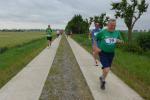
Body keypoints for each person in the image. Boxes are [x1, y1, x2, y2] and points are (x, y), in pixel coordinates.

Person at [95, 19, 123, 90]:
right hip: (103, 52)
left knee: (106, 68)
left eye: (114, 25)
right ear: (108, 25)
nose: (113, 27)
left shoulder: (117, 32)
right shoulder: (103, 32)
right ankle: (103, 81)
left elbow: (122, 41)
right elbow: (95, 38)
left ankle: (102, 77)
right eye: (111, 25)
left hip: (111, 53)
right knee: (107, 69)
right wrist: (96, 48)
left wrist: (119, 41)